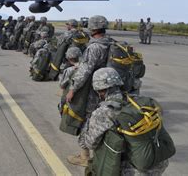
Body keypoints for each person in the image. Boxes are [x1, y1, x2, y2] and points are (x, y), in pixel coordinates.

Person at [80, 67, 171, 175]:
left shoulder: (104, 112)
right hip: (159, 161)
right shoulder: (137, 100)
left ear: (100, 90)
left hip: (135, 170)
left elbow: (91, 144)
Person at [65, 15, 113, 167]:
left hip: (95, 91)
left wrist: (73, 89)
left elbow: (85, 71)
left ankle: (85, 157)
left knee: (88, 120)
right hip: (110, 89)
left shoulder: (94, 47)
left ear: (92, 28)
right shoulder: (111, 43)